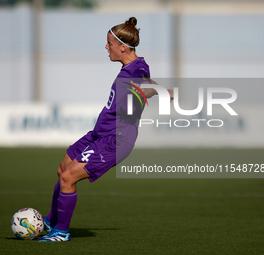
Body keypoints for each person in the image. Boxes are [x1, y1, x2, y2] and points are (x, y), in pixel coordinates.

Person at [38, 17, 173, 242]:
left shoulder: (135, 69)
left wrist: (159, 91)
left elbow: (145, 84)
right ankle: (52, 221)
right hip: (98, 134)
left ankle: (61, 232)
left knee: (69, 178)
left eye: (109, 43)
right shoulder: (131, 67)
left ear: (123, 47)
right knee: (63, 170)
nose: (106, 47)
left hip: (116, 140)